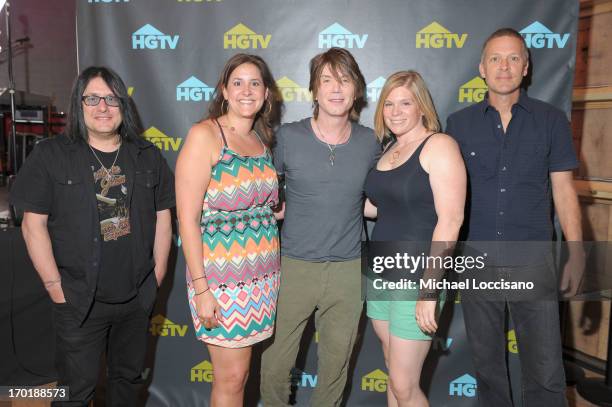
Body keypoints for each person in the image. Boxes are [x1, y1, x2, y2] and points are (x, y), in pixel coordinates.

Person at [9, 66, 175, 406]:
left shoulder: (147, 155)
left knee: (127, 383)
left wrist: (156, 275)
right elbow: (32, 225)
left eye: (111, 98)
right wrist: (55, 287)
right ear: (79, 104)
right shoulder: (51, 155)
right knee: (74, 392)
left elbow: (163, 217)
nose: (103, 107)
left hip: (135, 297)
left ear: (123, 105)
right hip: (79, 299)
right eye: (93, 98)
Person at [446, 28, 584, 406]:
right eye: (495, 58)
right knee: (488, 369)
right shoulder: (458, 125)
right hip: (476, 258)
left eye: (512, 58)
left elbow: (564, 190)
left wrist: (577, 251)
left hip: (534, 260)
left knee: (545, 370)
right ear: (481, 68)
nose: (503, 67)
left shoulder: (551, 119)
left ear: (526, 67)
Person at [260, 47, 380, 406]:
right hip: (295, 266)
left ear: (357, 88)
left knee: (335, 367)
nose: (336, 88)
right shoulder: (286, 138)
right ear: (313, 90)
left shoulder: (370, 142)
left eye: (344, 80)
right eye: (326, 80)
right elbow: (266, 195)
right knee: (274, 365)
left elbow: (376, 201)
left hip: (348, 270)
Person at [175, 53, 281, 407]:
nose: (246, 90)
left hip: (262, 278)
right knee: (231, 378)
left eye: (255, 83)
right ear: (224, 90)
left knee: (241, 376)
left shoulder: (261, 140)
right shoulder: (205, 135)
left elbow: (258, 204)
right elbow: (187, 219)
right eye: (237, 82)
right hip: (221, 281)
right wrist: (202, 287)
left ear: (267, 93)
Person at [363, 71, 466, 406]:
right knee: (394, 372)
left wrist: (429, 289)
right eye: (389, 103)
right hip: (380, 271)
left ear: (421, 107)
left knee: (405, 385)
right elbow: (380, 208)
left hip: (417, 276)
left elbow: (451, 221)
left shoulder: (439, 146)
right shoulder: (389, 149)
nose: (395, 111)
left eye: (405, 102)